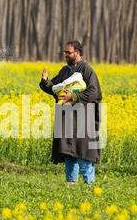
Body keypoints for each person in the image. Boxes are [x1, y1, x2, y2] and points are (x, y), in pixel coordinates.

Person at [39, 40, 103, 185]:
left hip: (83, 120)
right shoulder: (65, 71)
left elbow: (94, 92)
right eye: (65, 52)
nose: (65, 55)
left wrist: (73, 96)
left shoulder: (87, 70)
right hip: (67, 120)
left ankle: (89, 187)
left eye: (68, 52)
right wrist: (46, 82)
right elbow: (55, 88)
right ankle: (71, 186)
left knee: (84, 155)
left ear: (77, 53)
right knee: (69, 154)